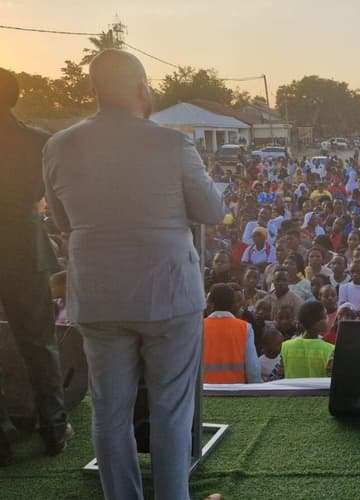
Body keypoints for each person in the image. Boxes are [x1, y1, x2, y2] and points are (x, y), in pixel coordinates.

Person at [42, 50, 224, 499]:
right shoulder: (172, 144)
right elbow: (212, 211)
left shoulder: (59, 145)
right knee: (170, 410)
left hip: (99, 294)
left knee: (108, 411)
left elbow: (63, 220)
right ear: (144, 89)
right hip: (169, 293)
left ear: (91, 91)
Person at [0, 67, 69, 466]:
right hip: (25, 248)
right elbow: (55, 201)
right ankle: (54, 430)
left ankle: (2, 437)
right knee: (39, 343)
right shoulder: (39, 142)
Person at [202, 284, 261, 384]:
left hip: (205, 391)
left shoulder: (199, 327)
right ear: (232, 303)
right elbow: (253, 368)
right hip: (235, 392)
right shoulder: (245, 328)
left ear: (211, 303)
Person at [279, 301, 335, 377]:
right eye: (325, 317)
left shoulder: (286, 346)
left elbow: (279, 375)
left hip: (292, 389)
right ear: (318, 323)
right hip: (319, 389)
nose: (327, 320)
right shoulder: (330, 350)